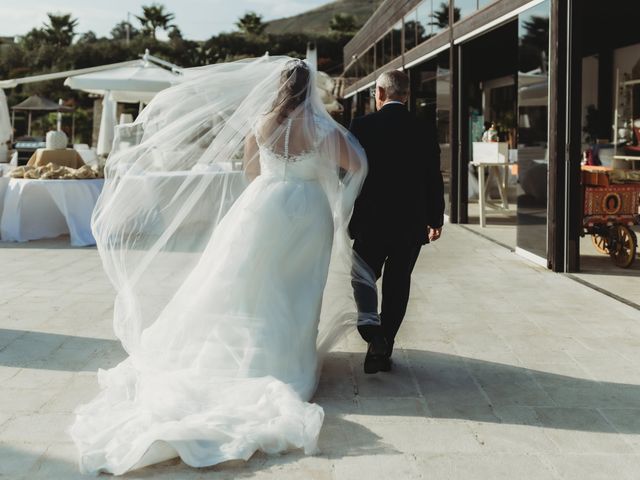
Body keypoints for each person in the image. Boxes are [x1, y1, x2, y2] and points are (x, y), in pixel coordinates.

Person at [70, 57, 372, 475]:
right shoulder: (321, 128)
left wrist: (273, 183)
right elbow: (356, 166)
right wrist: (327, 188)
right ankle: (288, 359)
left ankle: (251, 353)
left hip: (262, 206)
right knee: (297, 288)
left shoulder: (261, 122)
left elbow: (250, 171)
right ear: (309, 90)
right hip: (307, 211)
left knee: (248, 285)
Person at [348, 70, 445, 374]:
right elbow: (433, 177)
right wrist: (435, 217)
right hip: (410, 221)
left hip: (370, 221)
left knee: (362, 277)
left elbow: (350, 176)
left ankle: (373, 334)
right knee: (398, 282)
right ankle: (384, 343)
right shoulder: (424, 129)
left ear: (379, 93)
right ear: (406, 95)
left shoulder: (361, 126)